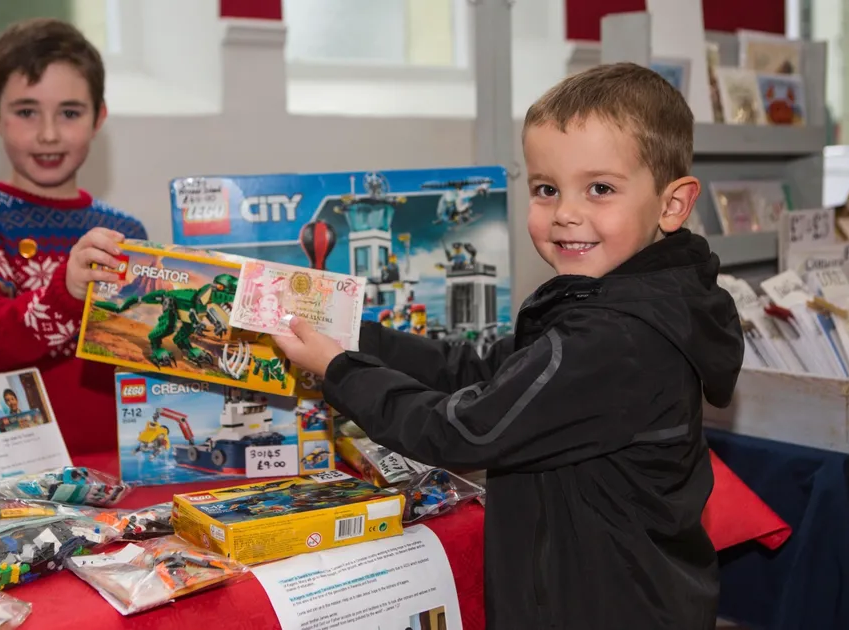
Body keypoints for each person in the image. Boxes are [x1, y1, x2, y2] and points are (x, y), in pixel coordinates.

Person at [274, 62, 744, 629]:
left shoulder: (619, 337)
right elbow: (476, 366)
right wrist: (355, 336)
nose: (566, 213)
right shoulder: (611, 301)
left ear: (672, 204)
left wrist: (339, 369)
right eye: (547, 189)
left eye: (600, 189)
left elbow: (462, 429)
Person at [0, 18, 146, 458]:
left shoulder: (125, 233)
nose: (49, 133)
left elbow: (141, 350)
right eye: (26, 111)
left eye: (70, 112)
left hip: (124, 463)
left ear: (98, 118)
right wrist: (67, 291)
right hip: (14, 478)